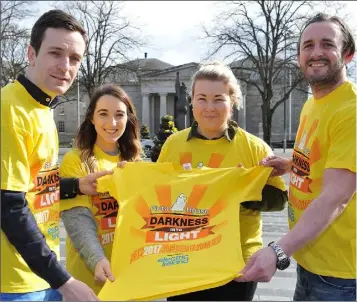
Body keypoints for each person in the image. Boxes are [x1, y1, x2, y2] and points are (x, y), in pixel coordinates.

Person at [237, 13, 356, 301]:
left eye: (327, 44)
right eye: (308, 45)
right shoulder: (312, 103)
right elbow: (325, 158)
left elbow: (337, 196)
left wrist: (278, 250)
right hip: (309, 260)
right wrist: (291, 165)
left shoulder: (350, 110)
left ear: (347, 54)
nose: (316, 53)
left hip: (340, 276)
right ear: (299, 56)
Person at [1, 10, 111, 301]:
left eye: (75, 58)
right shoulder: (9, 109)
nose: (66, 66)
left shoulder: (41, 107)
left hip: (38, 274)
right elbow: (8, 206)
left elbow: (30, 188)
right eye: (55, 53)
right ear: (31, 54)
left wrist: (75, 186)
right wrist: (63, 280)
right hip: (14, 282)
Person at [156, 61, 288, 301]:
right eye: (202, 98)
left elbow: (279, 200)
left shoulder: (255, 147)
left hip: (237, 262)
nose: (209, 107)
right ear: (192, 101)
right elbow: (159, 195)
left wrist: (242, 190)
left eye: (219, 99)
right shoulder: (173, 145)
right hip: (184, 260)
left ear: (233, 101)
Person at [59, 84, 142, 294]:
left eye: (119, 115)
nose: (112, 123)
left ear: (128, 119)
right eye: (103, 114)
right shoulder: (75, 161)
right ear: (91, 118)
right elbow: (77, 220)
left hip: (130, 277)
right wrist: (97, 259)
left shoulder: (135, 164)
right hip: (89, 282)